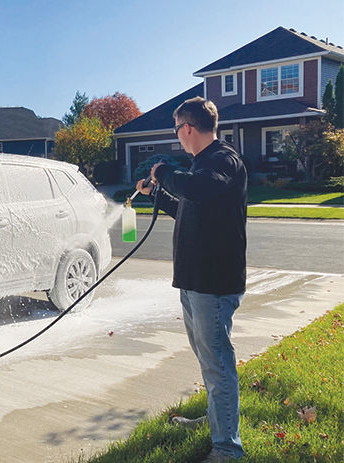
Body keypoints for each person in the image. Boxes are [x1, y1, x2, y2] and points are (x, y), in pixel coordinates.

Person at [136, 97, 247, 462]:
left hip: (213, 282)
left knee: (218, 363)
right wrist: (158, 192)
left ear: (187, 128)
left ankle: (227, 448)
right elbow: (188, 204)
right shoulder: (203, 166)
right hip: (194, 280)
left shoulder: (223, 159)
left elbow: (196, 190)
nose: (178, 138)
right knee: (207, 358)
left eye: (177, 131)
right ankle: (217, 421)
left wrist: (163, 172)